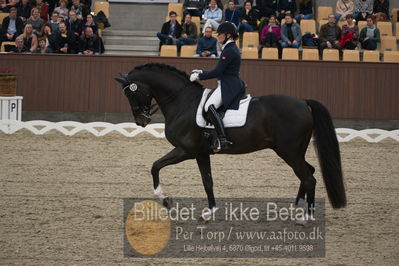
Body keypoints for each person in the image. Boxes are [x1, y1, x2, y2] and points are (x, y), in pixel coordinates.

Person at [190, 22, 242, 152]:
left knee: (209, 106)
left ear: (228, 35)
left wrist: (199, 77)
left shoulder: (229, 50)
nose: (218, 36)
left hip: (229, 85)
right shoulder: (229, 48)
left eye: (220, 34)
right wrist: (201, 71)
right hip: (228, 83)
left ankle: (222, 139)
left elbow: (217, 71)